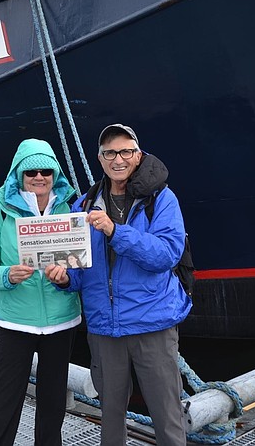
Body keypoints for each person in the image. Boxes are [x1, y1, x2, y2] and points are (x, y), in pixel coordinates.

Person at [45, 124, 191, 446]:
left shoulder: (161, 199)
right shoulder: (82, 205)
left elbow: (166, 255)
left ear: (138, 156)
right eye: (110, 153)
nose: (118, 159)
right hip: (104, 329)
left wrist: (115, 231)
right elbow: (78, 273)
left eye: (126, 151)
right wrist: (64, 278)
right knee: (109, 416)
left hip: (152, 323)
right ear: (100, 159)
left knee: (167, 413)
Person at [0, 138, 82, 446]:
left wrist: (65, 278)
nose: (39, 177)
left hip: (61, 321)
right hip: (14, 322)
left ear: (55, 174)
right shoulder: (1, 213)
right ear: (19, 174)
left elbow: (82, 265)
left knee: (53, 407)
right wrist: (7, 275)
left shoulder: (69, 209)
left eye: (46, 171)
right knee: (1, 405)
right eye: (31, 171)